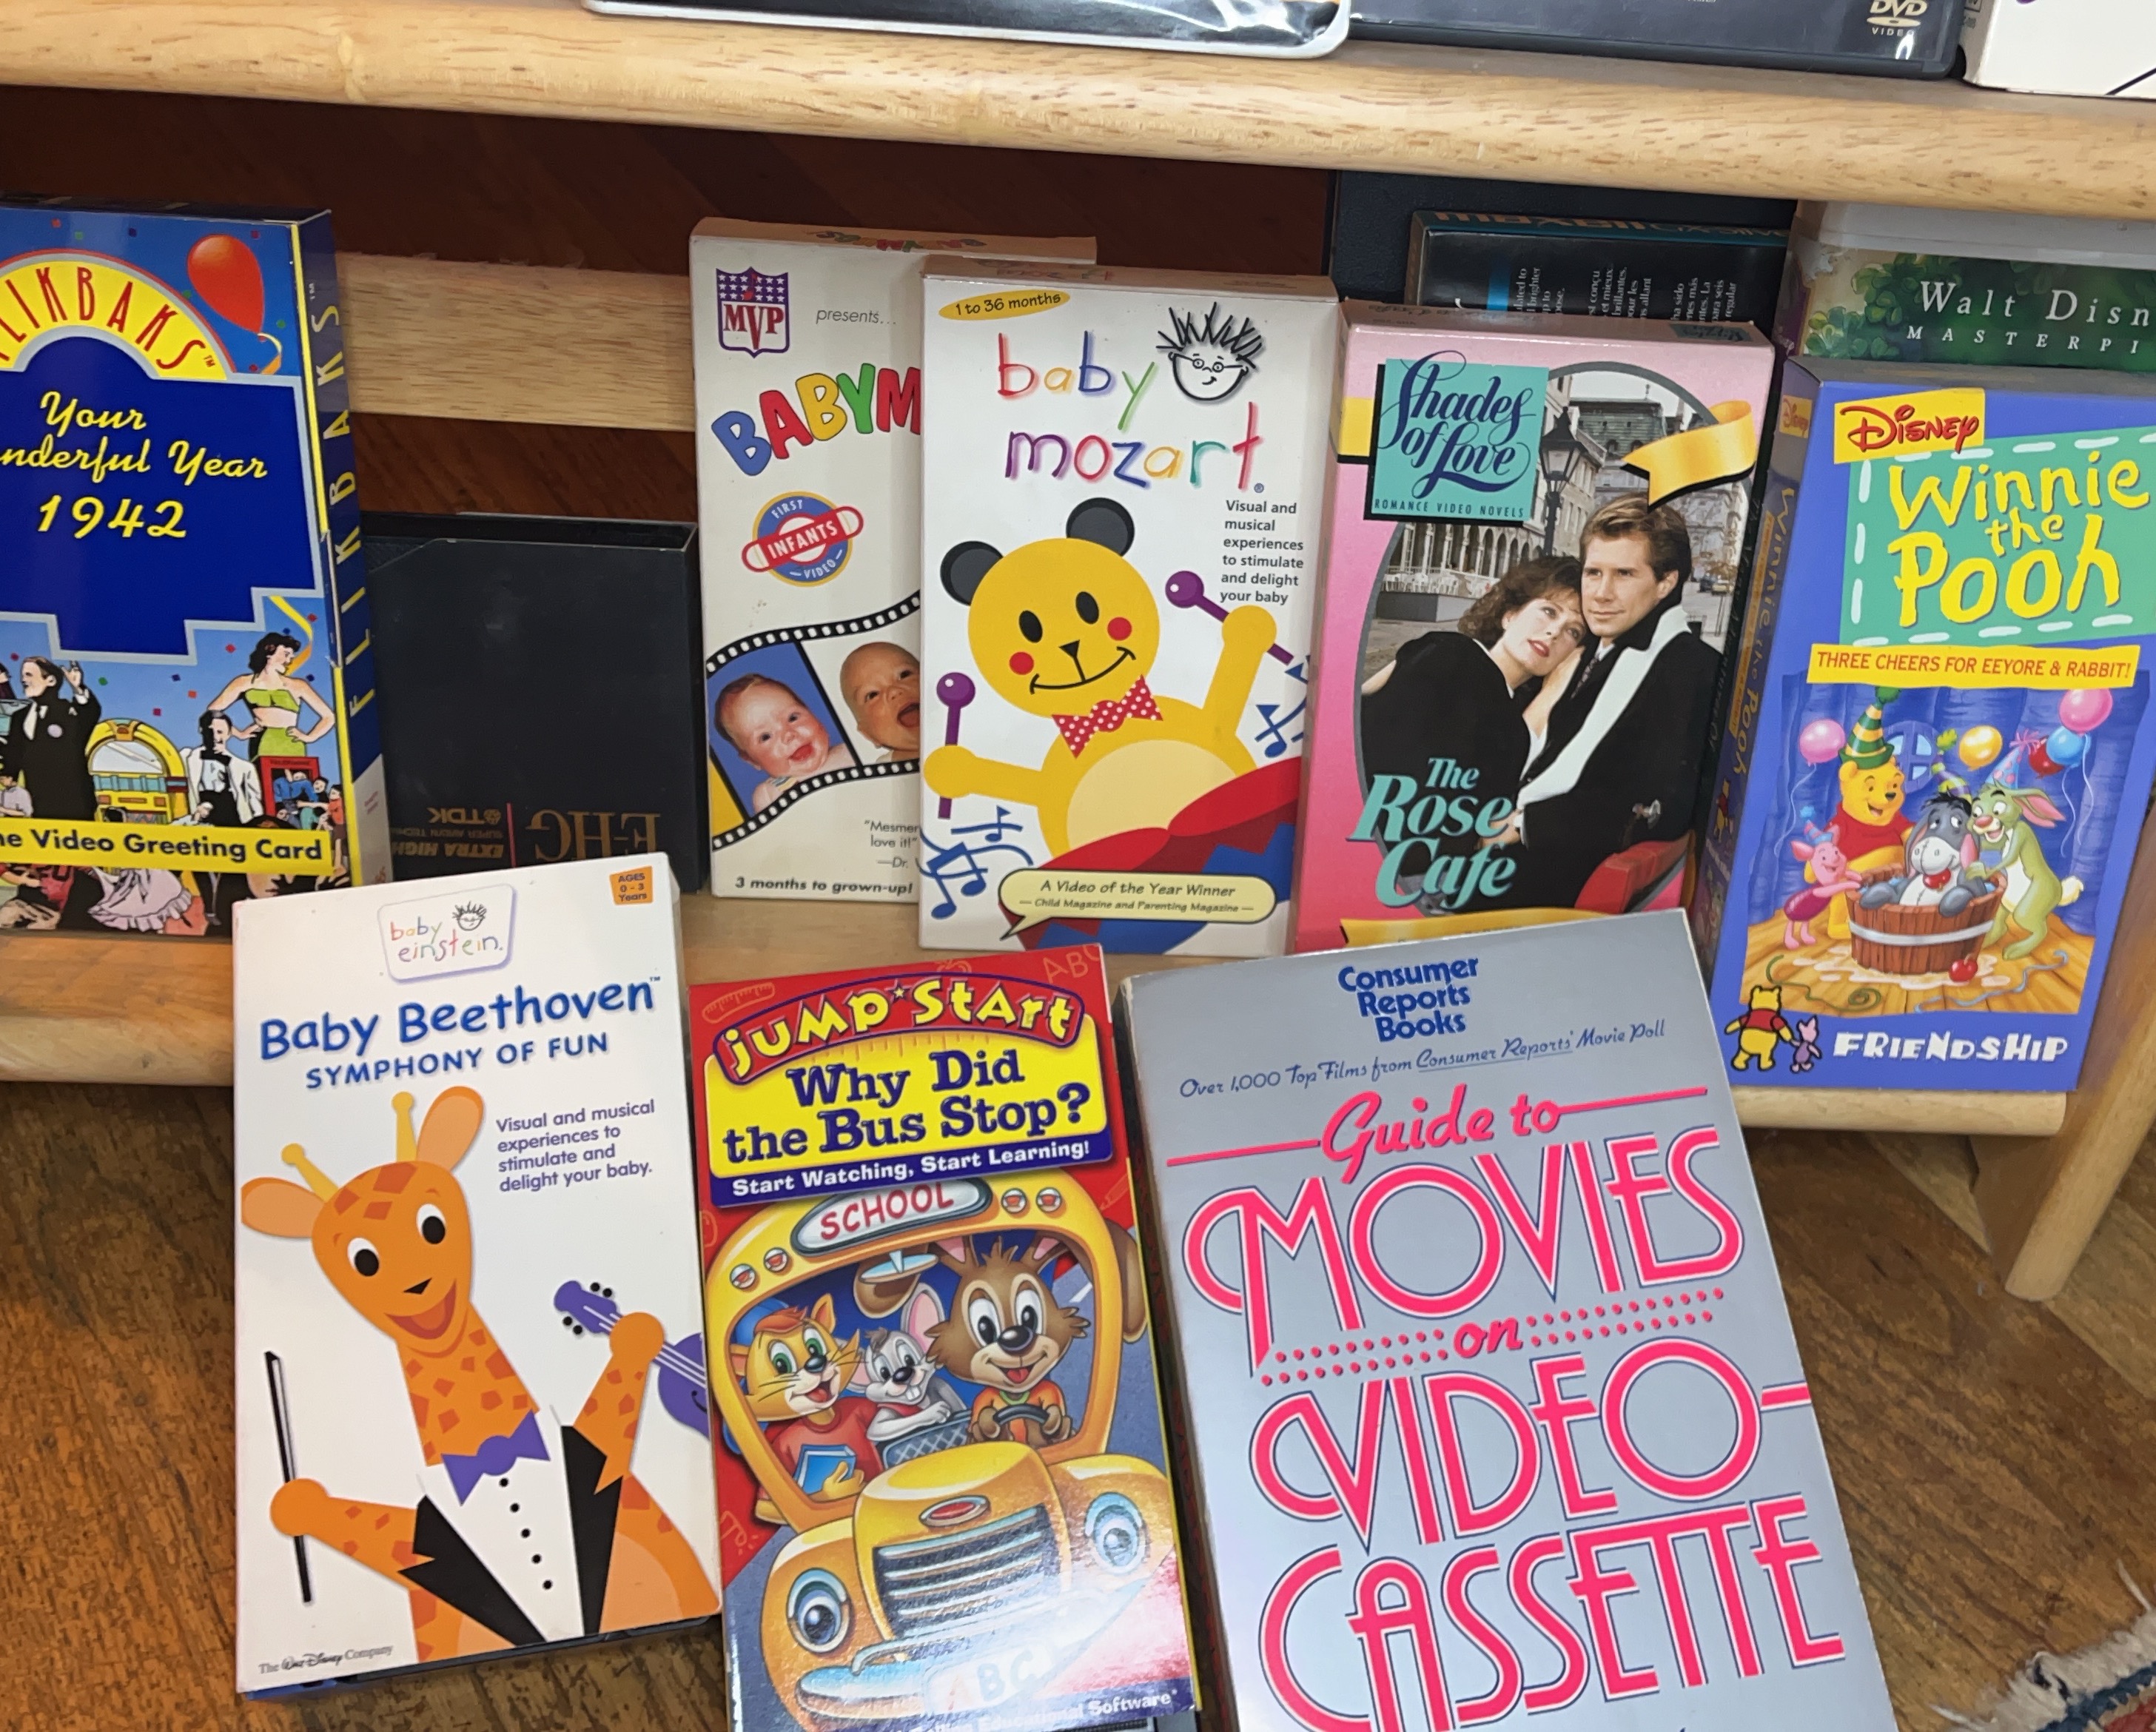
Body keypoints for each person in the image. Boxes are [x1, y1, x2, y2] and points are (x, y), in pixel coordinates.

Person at [1499, 496, 1722, 910]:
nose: (1601, 594)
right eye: (1593, 573)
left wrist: (1522, 825)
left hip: (1548, 882)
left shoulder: (1690, 669)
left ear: (1666, 583)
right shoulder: (1587, 649)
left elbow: (1659, 803)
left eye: (1624, 574)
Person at [1358, 557, 1585, 838]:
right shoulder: (1453, 654)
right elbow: (1358, 711)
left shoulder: (1522, 713)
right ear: (1510, 615)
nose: (1555, 632)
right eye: (1549, 611)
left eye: (1574, 631)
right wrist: (1552, 692)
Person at [714, 673, 856, 813]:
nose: (788, 735)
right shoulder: (770, 794)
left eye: (793, 718)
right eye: (766, 737)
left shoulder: (850, 751)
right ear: (751, 760)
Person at [203, 631, 336, 762]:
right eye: (286, 654)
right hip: (262, 743)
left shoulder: (298, 685)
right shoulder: (244, 682)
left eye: (291, 657)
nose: (288, 661)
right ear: (269, 651)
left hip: (292, 744)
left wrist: (310, 737)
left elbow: (329, 717)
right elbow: (213, 711)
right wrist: (239, 734)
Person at [1, 657, 101, 819]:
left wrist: (77, 688)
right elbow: (13, 754)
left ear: (51, 680)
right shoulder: (20, 716)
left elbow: (89, 714)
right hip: (37, 802)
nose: (23, 680)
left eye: (29, 675)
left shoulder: (68, 711)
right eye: (23, 675)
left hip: (73, 803)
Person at [839, 641, 921, 762]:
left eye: (904, 675)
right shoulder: (885, 768)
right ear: (869, 735)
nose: (894, 691)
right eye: (873, 695)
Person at [181, 711, 263, 828]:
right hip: (200, 820)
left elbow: (255, 802)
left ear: (229, 733)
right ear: (201, 730)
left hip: (232, 819)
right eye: (210, 731)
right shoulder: (186, 758)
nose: (215, 737)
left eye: (220, 732)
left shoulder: (245, 767)